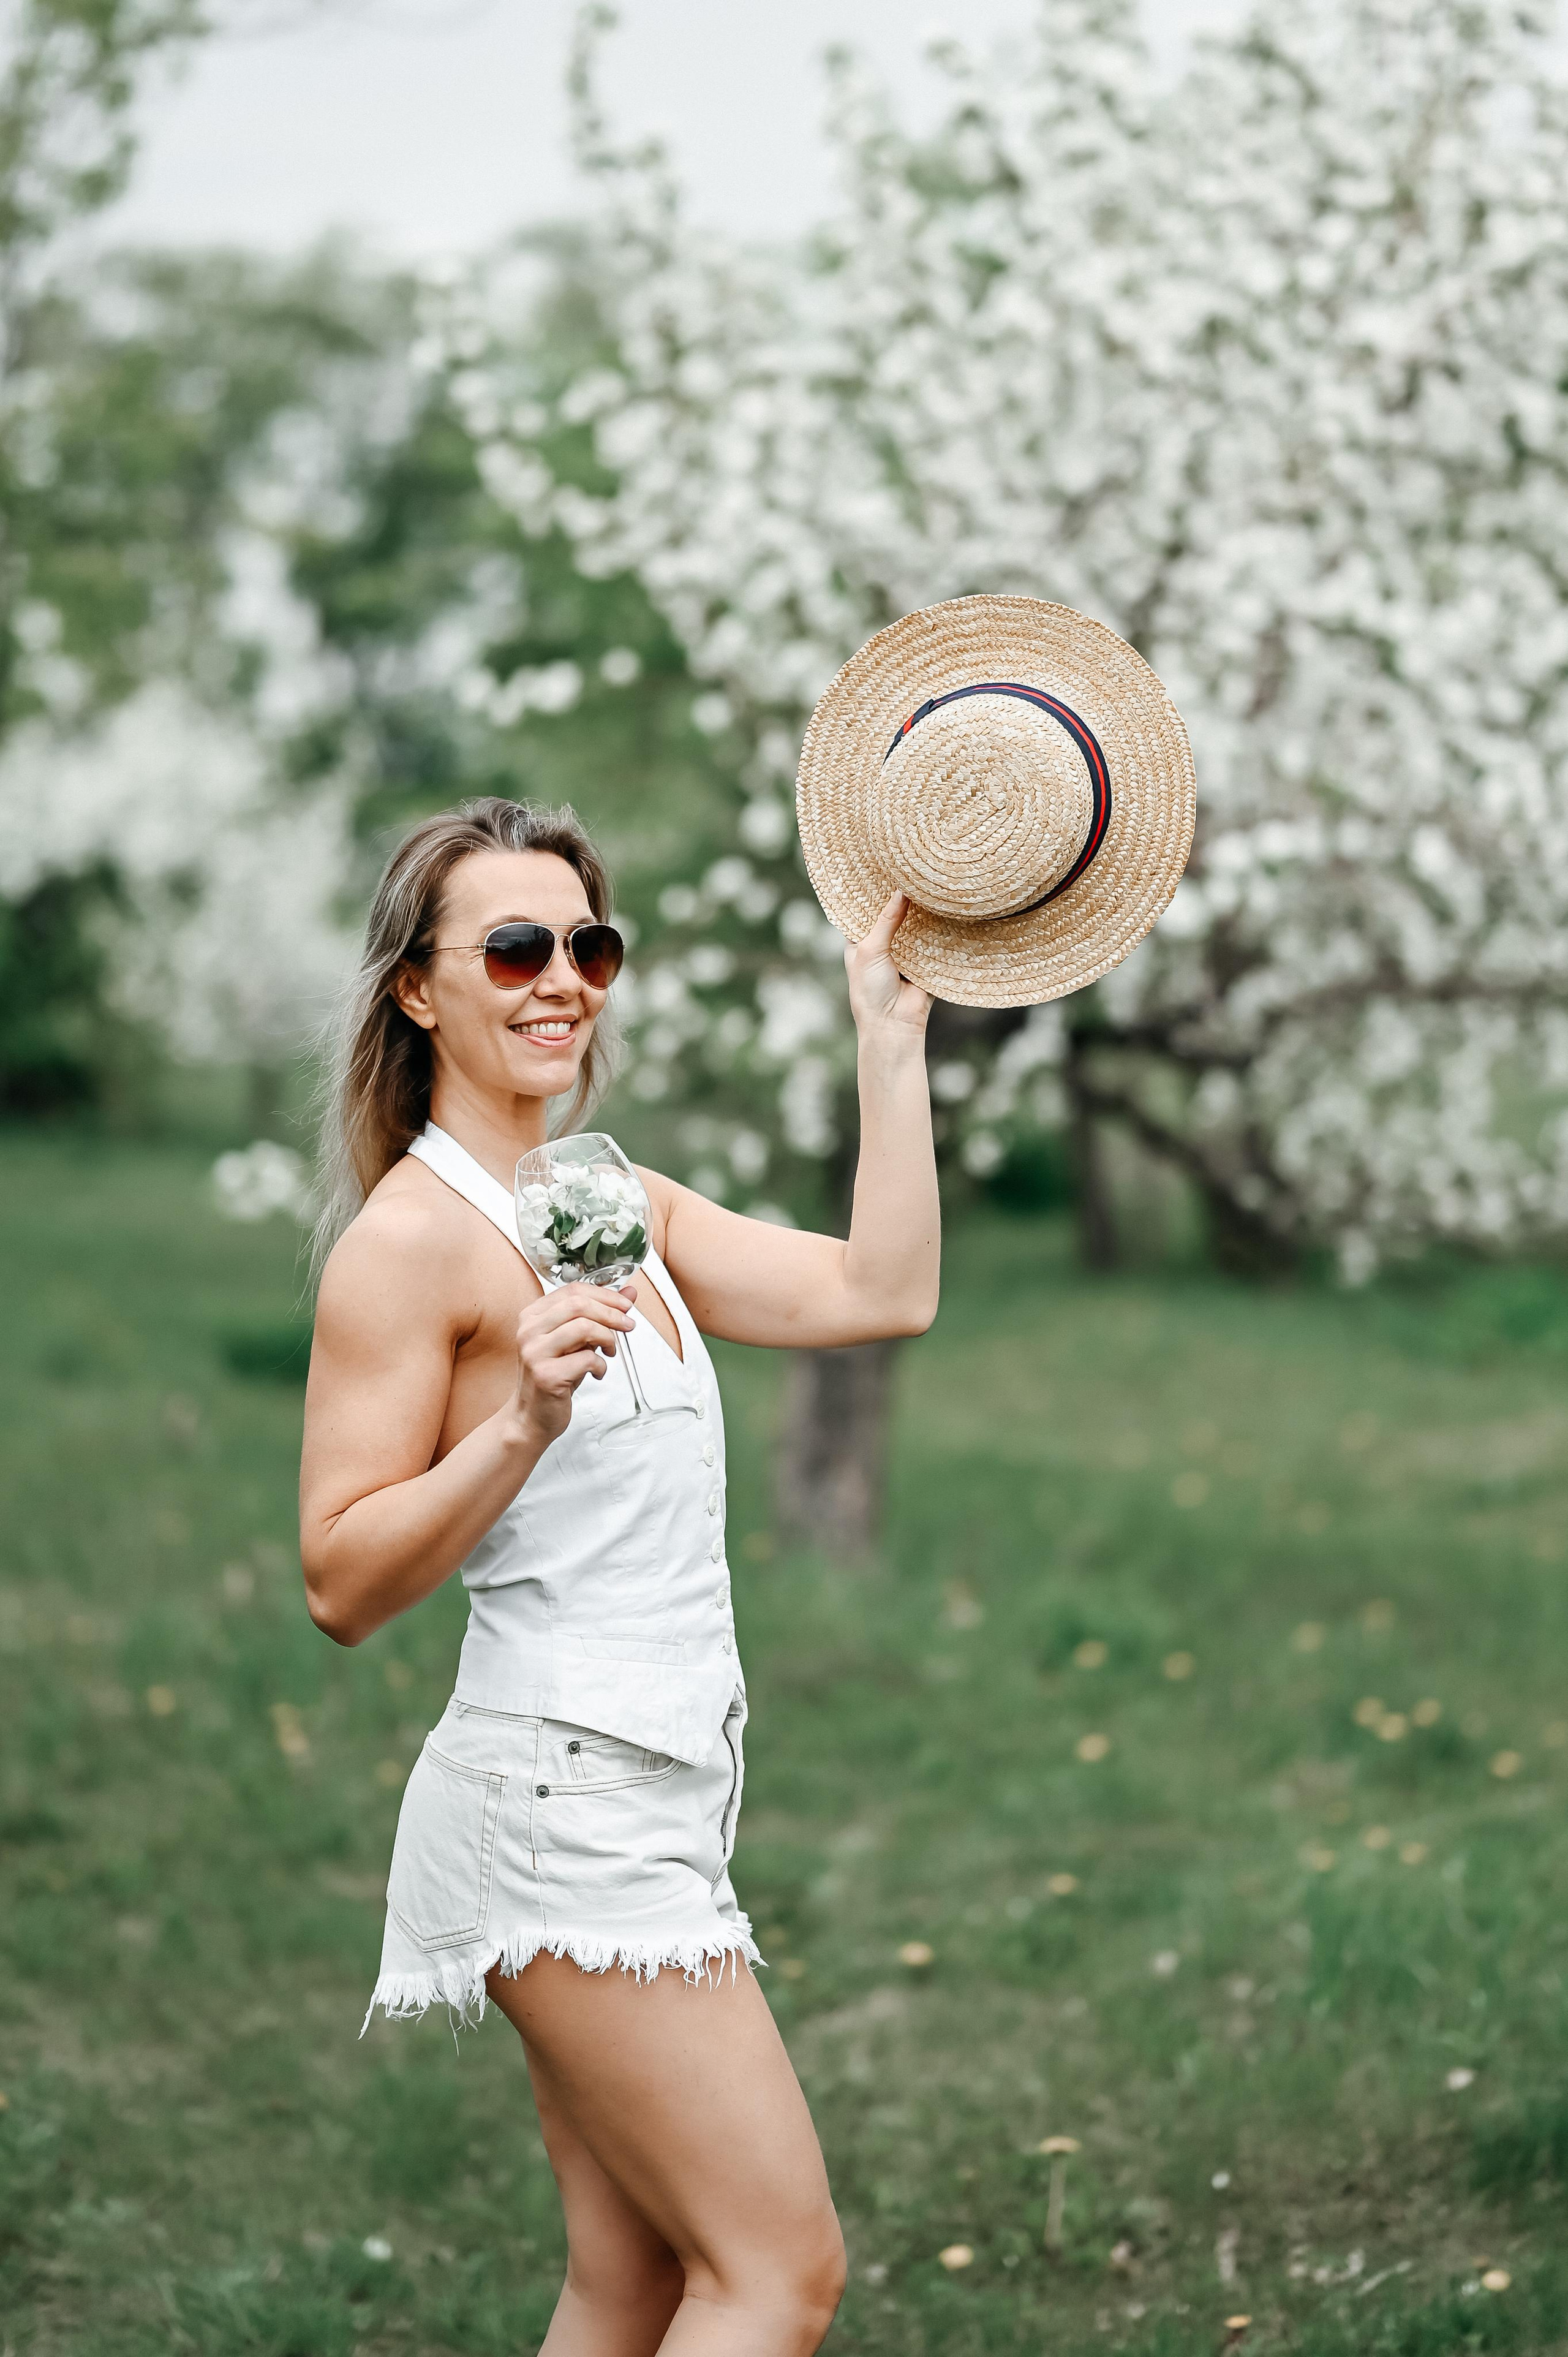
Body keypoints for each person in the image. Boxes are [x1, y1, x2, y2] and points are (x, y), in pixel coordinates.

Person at [299, 795, 939, 2357]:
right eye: (514, 947)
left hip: (660, 1787)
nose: (561, 981)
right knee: (776, 2274)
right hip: (558, 1806)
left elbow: (881, 1290)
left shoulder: (618, 1203)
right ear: (417, 989)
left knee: (633, 2281)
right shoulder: (409, 1243)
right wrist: (520, 1418)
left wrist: (887, 1038)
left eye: (590, 947)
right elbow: (339, 1578)